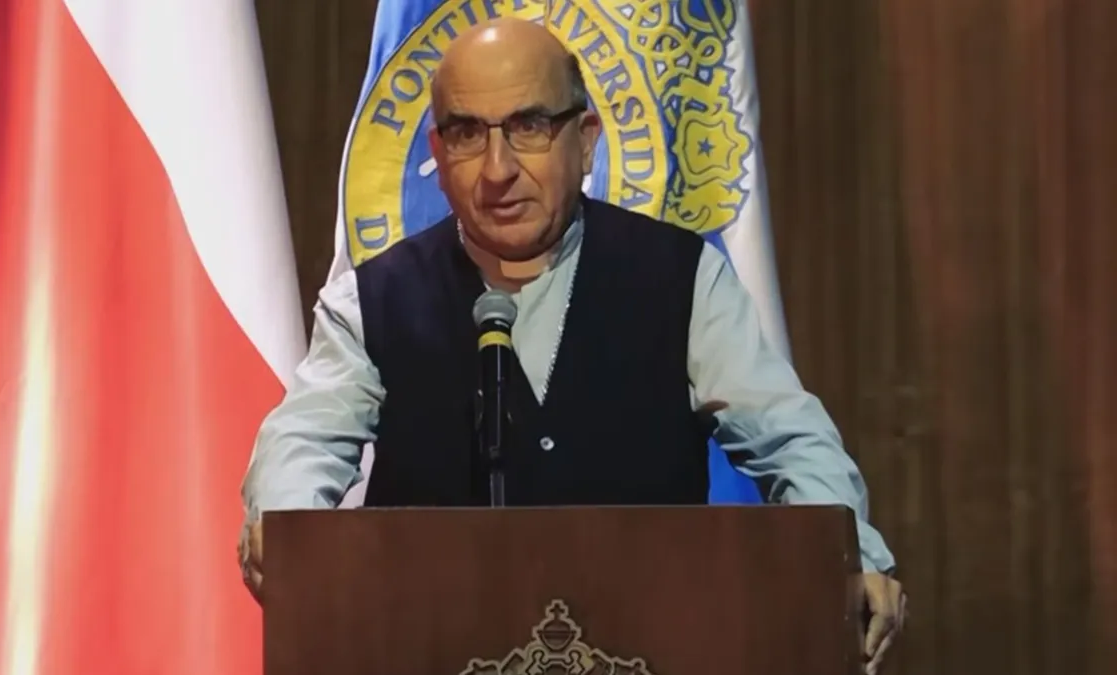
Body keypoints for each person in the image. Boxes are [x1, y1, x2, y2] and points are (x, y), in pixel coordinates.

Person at [239, 17, 905, 674]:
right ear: (437, 155)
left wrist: (855, 560)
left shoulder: (681, 279)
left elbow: (790, 436)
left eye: (529, 126)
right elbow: (303, 442)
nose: (498, 169)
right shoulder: (373, 300)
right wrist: (288, 533)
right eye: (468, 134)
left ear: (585, 141)